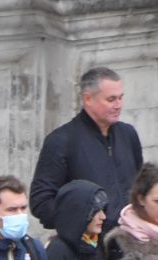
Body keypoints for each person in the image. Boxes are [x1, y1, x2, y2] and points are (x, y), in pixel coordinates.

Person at [29, 66, 144, 235]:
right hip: (89, 244)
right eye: (111, 99)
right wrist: (84, 220)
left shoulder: (128, 134)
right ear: (88, 99)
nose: (118, 105)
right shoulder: (61, 141)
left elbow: (141, 186)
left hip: (132, 239)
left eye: (121, 98)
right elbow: (41, 202)